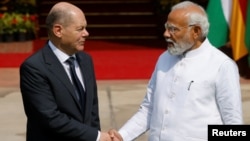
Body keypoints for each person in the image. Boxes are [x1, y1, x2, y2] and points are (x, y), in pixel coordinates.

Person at [109, 1, 243, 141]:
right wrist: (122, 136)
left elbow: (233, 124)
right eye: (167, 27)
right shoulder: (164, 58)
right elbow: (149, 109)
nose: (166, 34)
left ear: (196, 31)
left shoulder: (221, 65)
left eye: (173, 29)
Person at [20, 2, 112, 141]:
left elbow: (92, 110)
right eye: (80, 29)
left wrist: (95, 136)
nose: (86, 33)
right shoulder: (34, 68)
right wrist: (96, 137)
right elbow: (50, 117)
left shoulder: (85, 60)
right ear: (58, 31)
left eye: (85, 28)